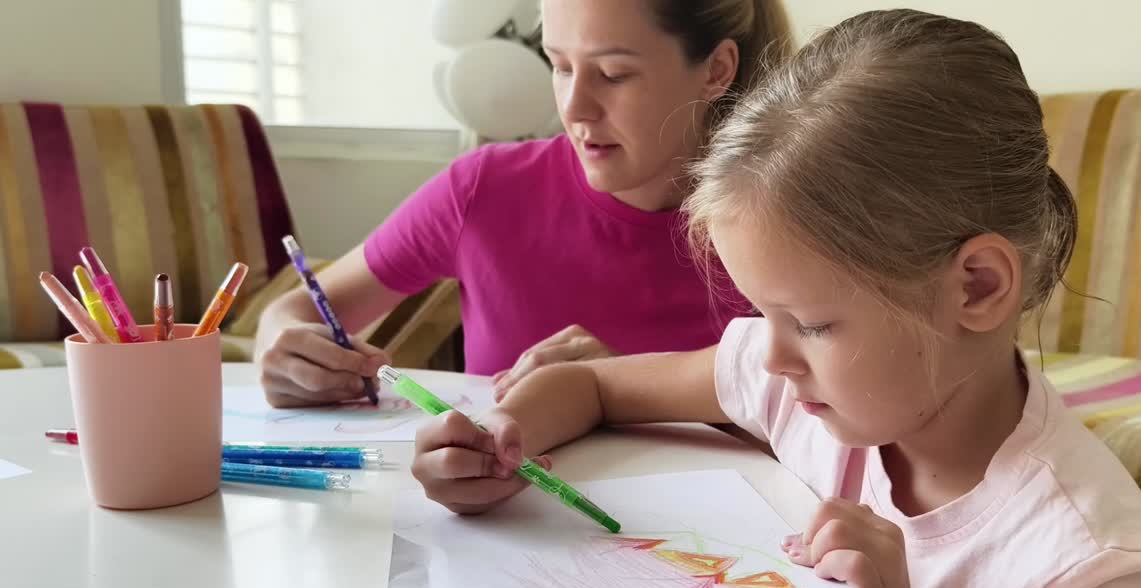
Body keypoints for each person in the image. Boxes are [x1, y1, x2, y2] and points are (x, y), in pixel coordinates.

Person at [407, 10, 1141, 588]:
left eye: (812, 323)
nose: (770, 354)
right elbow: (591, 385)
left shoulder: (1082, 580)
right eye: (763, 311)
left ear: (976, 287)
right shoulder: (809, 385)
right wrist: (500, 435)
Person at [254, 0, 793, 408]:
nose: (574, 108)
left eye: (613, 74)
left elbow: (825, 436)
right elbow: (296, 310)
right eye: (560, 66)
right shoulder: (485, 189)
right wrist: (283, 348)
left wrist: (616, 389)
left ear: (716, 69)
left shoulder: (784, 221)